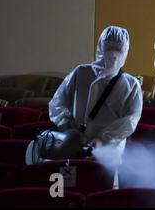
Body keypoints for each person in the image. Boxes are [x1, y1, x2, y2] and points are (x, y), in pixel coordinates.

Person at [47, 26, 143, 165]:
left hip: (108, 153)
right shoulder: (80, 73)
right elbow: (58, 103)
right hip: (73, 145)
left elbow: (129, 121)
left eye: (118, 50)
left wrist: (103, 139)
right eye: (109, 48)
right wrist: (68, 126)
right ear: (100, 48)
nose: (113, 55)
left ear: (125, 51)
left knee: (100, 182)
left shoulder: (130, 84)